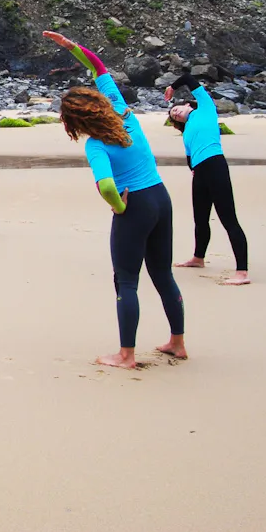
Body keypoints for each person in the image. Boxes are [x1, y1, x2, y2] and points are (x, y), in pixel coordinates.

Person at [45, 30, 186, 368]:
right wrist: (71, 46)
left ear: (74, 122)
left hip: (135, 206)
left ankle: (126, 355)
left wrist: (119, 206)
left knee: (126, 281)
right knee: (163, 274)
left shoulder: (96, 145)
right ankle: (177, 343)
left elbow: (107, 186)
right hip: (160, 197)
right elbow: (99, 68)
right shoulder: (125, 112)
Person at [165, 75, 249, 285]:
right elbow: (189, 156)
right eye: (174, 116)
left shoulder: (206, 108)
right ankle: (198, 258)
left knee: (228, 219)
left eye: (176, 109)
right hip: (200, 173)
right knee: (200, 219)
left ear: (187, 105)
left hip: (215, 166)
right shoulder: (186, 133)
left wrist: (172, 87)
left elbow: (188, 78)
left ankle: (242, 272)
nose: (175, 113)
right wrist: (193, 170)